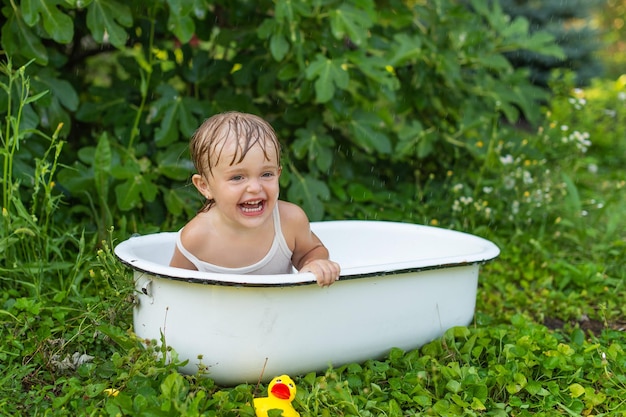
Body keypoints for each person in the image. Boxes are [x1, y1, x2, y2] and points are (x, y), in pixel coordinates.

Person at [169, 111, 340, 286]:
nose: (255, 188)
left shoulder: (289, 222)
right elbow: (172, 290)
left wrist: (314, 263)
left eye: (266, 174)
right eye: (237, 177)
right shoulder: (196, 238)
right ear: (205, 186)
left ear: (278, 174)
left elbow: (312, 251)